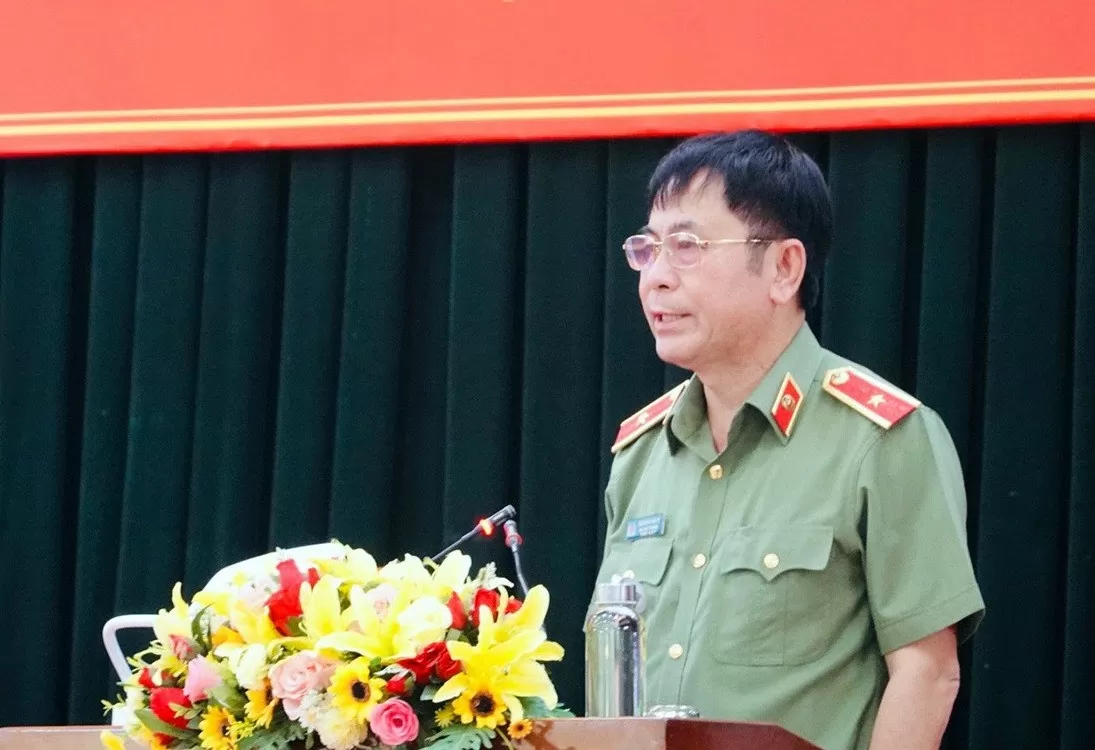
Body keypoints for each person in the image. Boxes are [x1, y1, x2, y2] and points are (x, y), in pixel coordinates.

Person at [593, 130, 985, 750]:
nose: (656, 279)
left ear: (784, 268)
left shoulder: (881, 439)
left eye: (687, 247)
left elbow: (927, 673)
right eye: (648, 248)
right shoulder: (640, 452)